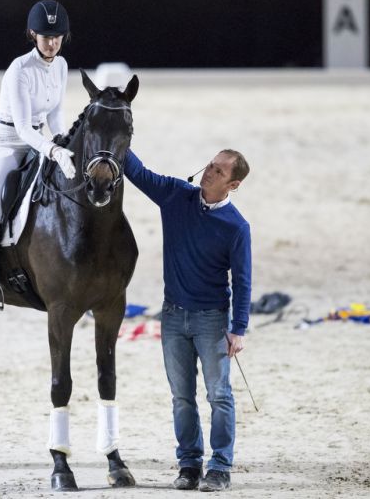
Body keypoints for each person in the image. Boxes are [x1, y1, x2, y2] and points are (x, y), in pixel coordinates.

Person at [123, 148, 251, 492]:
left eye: (219, 172)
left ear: (233, 184)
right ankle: (189, 464)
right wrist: (115, 125)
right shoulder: (177, 196)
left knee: (219, 395)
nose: (209, 172)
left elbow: (242, 280)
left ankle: (220, 466)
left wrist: (238, 329)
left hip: (212, 320)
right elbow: (138, 172)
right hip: (173, 317)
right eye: (211, 165)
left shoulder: (237, 227)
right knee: (182, 396)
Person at [0, 0, 77, 311]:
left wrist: (63, 141)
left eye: (58, 36)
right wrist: (53, 149)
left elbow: (55, 115)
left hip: (39, 139)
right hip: (7, 140)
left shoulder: (61, 65)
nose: (52, 42)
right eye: (46, 37)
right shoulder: (19, 69)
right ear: (33, 35)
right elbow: (21, 127)